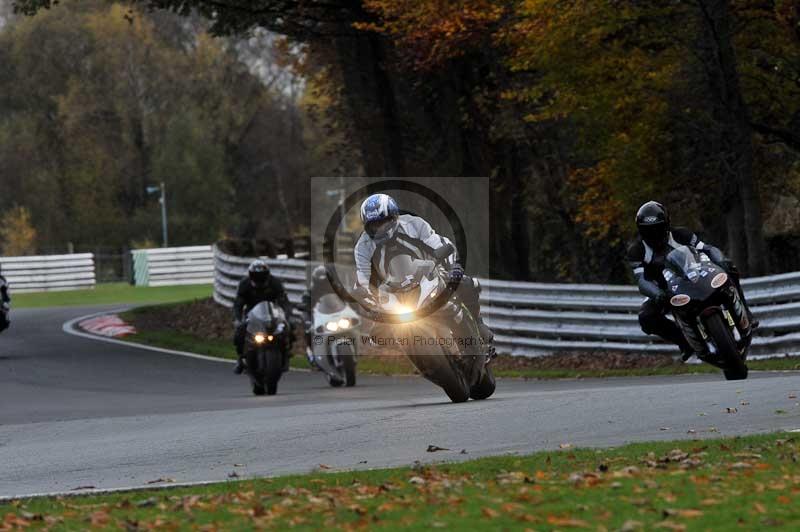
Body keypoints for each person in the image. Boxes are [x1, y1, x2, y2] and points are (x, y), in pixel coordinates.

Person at [353, 193, 495, 353]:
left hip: (430, 272)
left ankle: (478, 324)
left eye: (382, 223)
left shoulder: (414, 224)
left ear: (393, 218)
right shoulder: (363, 246)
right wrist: (370, 303)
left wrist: (453, 267)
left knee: (465, 283)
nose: (378, 229)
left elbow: (439, 243)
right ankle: (416, 353)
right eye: (373, 225)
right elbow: (362, 279)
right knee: (377, 335)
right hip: (394, 290)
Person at [627, 201, 757, 359]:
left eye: (657, 228)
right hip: (662, 290)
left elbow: (707, 249)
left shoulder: (681, 234)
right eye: (648, 231)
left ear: (667, 224)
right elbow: (641, 280)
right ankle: (684, 343)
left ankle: (746, 313)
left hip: (696, 275)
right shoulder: (637, 250)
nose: (654, 234)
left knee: (729, 268)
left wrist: (721, 260)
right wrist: (657, 294)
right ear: (640, 230)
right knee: (646, 317)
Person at [232, 259, 293, 374]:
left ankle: (286, 352)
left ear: (267, 275)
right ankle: (240, 358)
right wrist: (237, 319)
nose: (259, 278)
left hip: (272, 314)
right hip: (251, 314)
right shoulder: (245, 284)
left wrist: (287, 316)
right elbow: (238, 304)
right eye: (256, 275)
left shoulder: (275, 283)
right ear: (251, 275)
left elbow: (284, 301)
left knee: (289, 327)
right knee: (240, 330)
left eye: (262, 275)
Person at [0, 265, 9, 333]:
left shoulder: (2, 279)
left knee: (4, 323)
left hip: (1, 302)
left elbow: (5, 292)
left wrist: (5, 303)